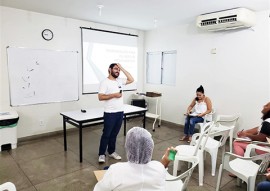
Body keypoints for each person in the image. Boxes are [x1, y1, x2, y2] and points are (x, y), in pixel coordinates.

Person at [93, 127, 176, 191]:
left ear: (128, 147)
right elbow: (160, 168)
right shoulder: (158, 168)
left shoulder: (116, 170)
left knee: (106, 169)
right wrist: (166, 159)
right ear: (150, 147)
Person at [97, 63, 134, 163]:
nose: (118, 71)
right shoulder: (105, 82)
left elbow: (131, 79)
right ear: (109, 70)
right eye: (115, 69)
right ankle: (101, 154)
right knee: (106, 134)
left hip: (119, 112)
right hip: (110, 113)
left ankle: (112, 151)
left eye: (119, 69)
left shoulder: (119, 81)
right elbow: (100, 97)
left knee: (114, 134)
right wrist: (114, 95)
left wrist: (122, 67)